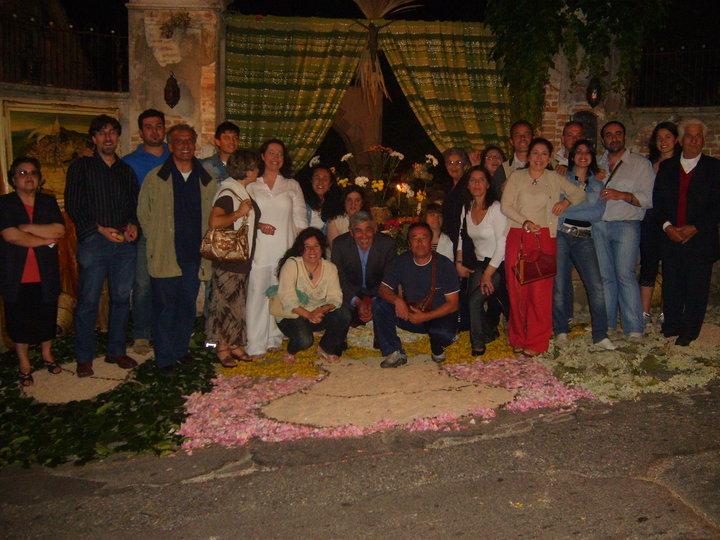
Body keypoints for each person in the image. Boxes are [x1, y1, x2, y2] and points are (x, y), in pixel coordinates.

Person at [138, 124, 215, 377]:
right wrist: (157, 241)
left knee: (186, 306)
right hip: (166, 255)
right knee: (165, 308)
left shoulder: (206, 179)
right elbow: (144, 215)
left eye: (189, 140)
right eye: (179, 141)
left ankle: (181, 350)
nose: (185, 145)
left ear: (195, 144)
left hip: (195, 255)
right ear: (170, 146)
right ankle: (164, 357)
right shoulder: (156, 178)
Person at [65, 115, 139, 378]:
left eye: (112, 132)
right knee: (88, 300)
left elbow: (134, 204)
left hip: (123, 244)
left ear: (118, 137)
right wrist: (99, 229)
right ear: (94, 138)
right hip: (95, 241)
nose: (108, 137)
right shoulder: (81, 168)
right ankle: (84, 357)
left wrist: (133, 225)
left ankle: (115, 351)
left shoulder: (125, 170)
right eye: (102, 133)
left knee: (121, 299)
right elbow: (74, 206)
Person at [501, 137, 586, 356]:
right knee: (517, 291)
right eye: (535, 153)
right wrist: (525, 222)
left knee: (540, 293)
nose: (539, 158)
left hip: (545, 238)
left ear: (550, 158)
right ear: (528, 155)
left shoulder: (554, 178)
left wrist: (564, 202)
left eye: (544, 154)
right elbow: (505, 206)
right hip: (519, 236)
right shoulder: (517, 176)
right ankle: (518, 337)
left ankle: (537, 341)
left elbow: (579, 193)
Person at [653, 119, 720, 347]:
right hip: (671, 237)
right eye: (689, 136)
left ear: (703, 140)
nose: (694, 140)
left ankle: (690, 331)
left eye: (698, 135)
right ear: (681, 140)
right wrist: (667, 227)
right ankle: (671, 326)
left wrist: (694, 227)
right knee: (672, 284)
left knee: (697, 288)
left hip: (700, 238)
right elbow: (658, 202)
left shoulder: (714, 168)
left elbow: (716, 205)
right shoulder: (667, 167)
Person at [0, 157, 65, 386]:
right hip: (16, 274)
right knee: (20, 320)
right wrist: (45, 240)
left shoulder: (47, 202)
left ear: (39, 178)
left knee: (46, 315)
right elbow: (10, 236)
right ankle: (24, 364)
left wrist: (27, 228)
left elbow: (59, 230)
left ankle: (47, 355)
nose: (28, 177)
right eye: (22, 173)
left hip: (44, 272)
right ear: (13, 179)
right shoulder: (5, 203)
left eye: (33, 173)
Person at [246, 139, 307, 358]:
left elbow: (300, 219)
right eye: (271, 153)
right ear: (263, 156)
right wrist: (259, 225)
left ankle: (274, 338)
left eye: (279, 154)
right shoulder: (252, 185)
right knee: (257, 295)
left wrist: (300, 252)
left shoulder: (292, 185)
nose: (275, 158)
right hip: (260, 249)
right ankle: (255, 344)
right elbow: (243, 216)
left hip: (285, 249)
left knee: (279, 294)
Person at [552, 140, 616, 351]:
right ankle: (561, 330)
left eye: (587, 152)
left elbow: (597, 214)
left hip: (584, 237)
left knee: (596, 285)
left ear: (592, 157)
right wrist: (578, 206)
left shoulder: (598, 183)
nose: (582, 155)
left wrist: (568, 205)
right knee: (559, 285)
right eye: (578, 152)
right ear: (572, 156)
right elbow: (555, 208)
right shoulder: (562, 178)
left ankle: (600, 334)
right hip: (562, 234)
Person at [595, 121, 655, 341]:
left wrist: (623, 195)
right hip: (599, 224)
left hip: (626, 224)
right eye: (609, 135)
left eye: (618, 134)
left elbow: (649, 199)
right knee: (605, 278)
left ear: (624, 136)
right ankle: (608, 325)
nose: (614, 138)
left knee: (625, 275)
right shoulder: (597, 163)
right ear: (603, 140)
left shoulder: (640, 164)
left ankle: (633, 328)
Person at [373, 222, 460, 368]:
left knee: (443, 335)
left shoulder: (444, 265)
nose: (419, 243)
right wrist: (397, 300)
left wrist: (425, 316)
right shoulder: (401, 261)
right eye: (415, 238)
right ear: (409, 243)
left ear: (431, 241)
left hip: (437, 317)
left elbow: (453, 304)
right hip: (410, 314)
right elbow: (383, 288)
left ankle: (437, 347)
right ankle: (394, 351)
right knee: (379, 304)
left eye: (424, 238)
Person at [205, 149, 262, 367]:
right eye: (255, 166)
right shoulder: (228, 192)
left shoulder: (240, 190)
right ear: (247, 170)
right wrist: (239, 213)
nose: (258, 169)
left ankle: (235, 344)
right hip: (229, 258)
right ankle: (222, 348)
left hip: (240, 258)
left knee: (237, 304)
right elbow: (214, 222)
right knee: (224, 304)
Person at [121, 108, 170, 355]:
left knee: (170, 284)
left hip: (173, 232)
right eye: (148, 127)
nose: (154, 131)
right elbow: (123, 200)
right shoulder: (129, 163)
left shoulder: (177, 156)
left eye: (158, 126)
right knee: (142, 284)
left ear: (165, 129)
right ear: (141, 132)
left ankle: (168, 330)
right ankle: (141, 333)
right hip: (144, 232)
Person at [454, 166, 509, 357]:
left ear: (488, 184)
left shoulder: (496, 209)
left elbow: (502, 245)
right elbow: (461, 236)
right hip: (478, 263)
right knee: (470, 301)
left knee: (475, 301)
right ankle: (488, 333)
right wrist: (459, 262)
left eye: (481, 180)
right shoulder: (467, 207)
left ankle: (477, 345)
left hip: (497, 266)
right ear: (468, 185)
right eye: (473, 180)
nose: (477, 184)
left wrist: (487, 274)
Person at [273, 228, 350, 363]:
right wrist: (309, 315)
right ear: (301, 249)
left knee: (344, 314)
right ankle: (291, 350)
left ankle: (325, 347)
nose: (312, 251)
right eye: (307, 247)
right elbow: (288, 298)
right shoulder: (292, 265)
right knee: (305, 341)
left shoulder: (330, 268)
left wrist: (322, 309)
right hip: (293, 314)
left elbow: (336, 297)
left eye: (316, 246)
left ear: (322, 248)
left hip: (317, 314)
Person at [640, 121, 680, 324]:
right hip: (650, 219)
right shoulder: (648, 164)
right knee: (648, 264)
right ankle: (644, 312)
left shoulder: (682, 164)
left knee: (671, 266)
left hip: (672, 220)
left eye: (667, 137)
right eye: (659, 138)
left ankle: (667, 311)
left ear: (676, 140)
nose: (663, 142)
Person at [331, 210, 397, 326]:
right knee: (342, 317)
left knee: (384, 314)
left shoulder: (387, 245)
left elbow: (389, 279)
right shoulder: (339, 244)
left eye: (368, 229)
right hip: (350, 293)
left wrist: (373, 303)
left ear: (375, 229)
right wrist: (357, 302)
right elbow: (339, 278)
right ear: (351, 232)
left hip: (379, 293)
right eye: (358, 231)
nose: (364, 235)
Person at [439, 147, 470, 254]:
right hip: (450, 237)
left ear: (465, 166)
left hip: (463, 239)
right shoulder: (449, 187)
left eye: (458, 162)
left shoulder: (468, 185)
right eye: (450, 163)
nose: (454, 166)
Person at [493, 120, 534, 194]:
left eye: (527, 134)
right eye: (518, 135)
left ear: (533, 139)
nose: (522, 138)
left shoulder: (547, 164)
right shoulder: (503, 169)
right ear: (511, 141)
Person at [301, 163, 342, 235]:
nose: (321, 182)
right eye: (317, 178)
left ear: (330, 184)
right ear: (311, 180)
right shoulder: (302, 203)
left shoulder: (333, 207)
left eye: (325, 179)